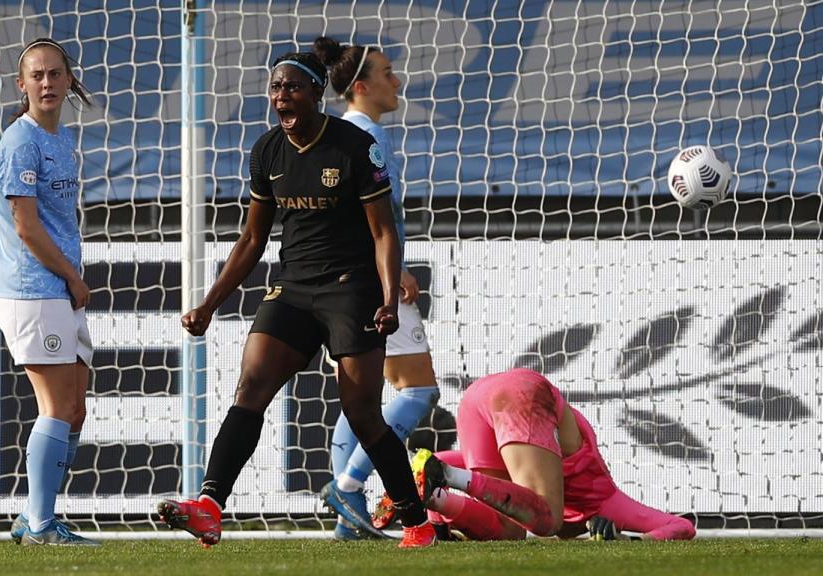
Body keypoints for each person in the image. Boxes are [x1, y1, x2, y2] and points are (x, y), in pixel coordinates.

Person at [157, 51, 436, 548]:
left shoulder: (355, 146)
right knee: (251, 386)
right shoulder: (266, 151)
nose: (281, 96)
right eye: (274, 88)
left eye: (291, 88)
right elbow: (251, 240)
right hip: (293, 287)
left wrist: (389, 297)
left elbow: (384, 232)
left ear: (315, 93)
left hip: (352, 289)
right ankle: (209, 505)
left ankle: (416, 522)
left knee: (363, 414)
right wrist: (209, 303)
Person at [311, 36, 441, 541]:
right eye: (388, 72)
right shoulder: (364, 136)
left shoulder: (340, 133)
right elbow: (364, 216)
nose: (398, 80)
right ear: (361, 86)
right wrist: (394, 270)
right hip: (373, 281)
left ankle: (350, 520)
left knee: (360, 398)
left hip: (342, 281)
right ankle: (348, 485)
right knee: (417, 390)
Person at [376, 368, 695, 541]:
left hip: (477, 399)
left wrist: (439, 520)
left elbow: (439, 461)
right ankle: (447, 483)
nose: (580, 536)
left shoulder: (531, 473)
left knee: (511, 529)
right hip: (522, 395)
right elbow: (682, 527)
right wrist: (634, 542)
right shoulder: (603, 501)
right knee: (547, 521)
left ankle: (437, 499)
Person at [0, 37, 99, 547]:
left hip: (57, 290)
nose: (48, 83)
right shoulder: (21, 141)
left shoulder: (61, 139)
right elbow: (27, 227)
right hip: (33, 289)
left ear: (70, 79)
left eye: (56, 74)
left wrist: (70, 281)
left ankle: (37, 516)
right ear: (23, 84)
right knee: (55, 407)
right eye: (37, 75)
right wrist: (75, 278)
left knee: (74, 409)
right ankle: (38, 526)